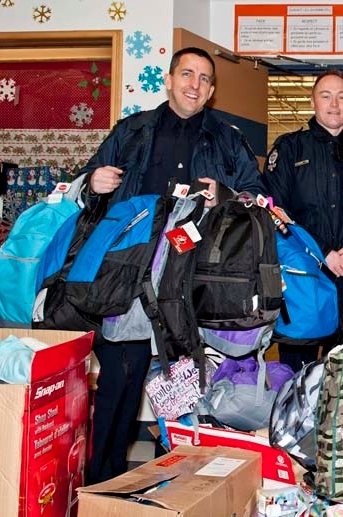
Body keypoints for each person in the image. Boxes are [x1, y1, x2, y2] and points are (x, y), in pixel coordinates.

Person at [82, 46, 260, 483]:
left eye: (203, 78)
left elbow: (256, 195)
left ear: (212, 90)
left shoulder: (227, 138)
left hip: (192, 277)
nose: (194, 84)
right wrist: (93, 182)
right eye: (187, 74)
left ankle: (183, 485)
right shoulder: (132, 130)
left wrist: (228, 197)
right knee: (121, 377)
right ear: (169, 79)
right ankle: (103, 481)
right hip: (130, 270)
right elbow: (87, 186)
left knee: (188, 380)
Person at [259, 69, 343, 372]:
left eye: (342, 96)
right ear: (313, 102)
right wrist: (322, 253)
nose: (335, 104)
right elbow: (274, 209)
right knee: (296, 372)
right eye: (326, 96)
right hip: (302, 278)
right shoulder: (290, 148)